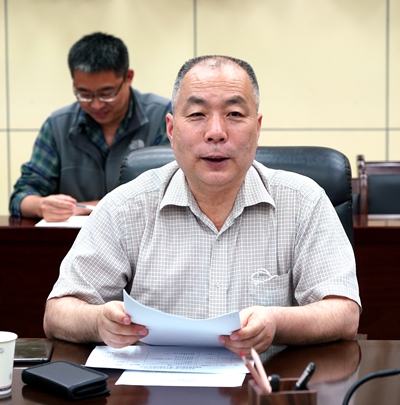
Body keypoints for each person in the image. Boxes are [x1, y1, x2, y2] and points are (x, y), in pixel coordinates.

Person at [43, 55, 361, 357]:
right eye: (197, 115)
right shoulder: (126, 206)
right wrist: (98, 321)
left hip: (264, 383)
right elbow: (58, 312)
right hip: (154, 386)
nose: (216, 133)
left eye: (234, 114)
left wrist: (277, 323)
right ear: (171, 130)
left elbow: (343, 313)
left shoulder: (304, 201)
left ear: (257, 128)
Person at [9, 32, 171, 222]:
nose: (96, 104)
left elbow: (171, 188)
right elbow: (21, 196)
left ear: (128, 77)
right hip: (73, 239)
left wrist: (87, 208)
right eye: (84, 94)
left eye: (107, 93)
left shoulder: (163, 117)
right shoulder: (57, 126)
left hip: (143, 237)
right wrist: (41, 205)